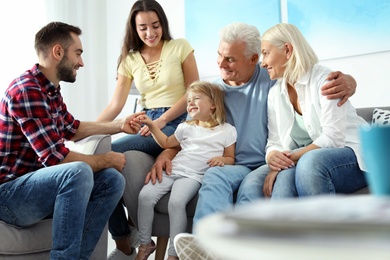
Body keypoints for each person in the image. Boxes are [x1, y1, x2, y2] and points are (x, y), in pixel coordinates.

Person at [147, 21, 358, 259]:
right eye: (219, 55)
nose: (221, 64)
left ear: (253, 58)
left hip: (265, 163)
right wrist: (166, 153)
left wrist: (350, 82)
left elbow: (312, 80)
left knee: (252, 187)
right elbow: (189, 130)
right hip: (234, 164)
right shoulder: (213, 93)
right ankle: (206, 247)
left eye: (230, 59)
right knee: (215, 176)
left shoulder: (272, 79)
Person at [0, 21, 144, 260]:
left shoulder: (50, 89)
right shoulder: (27, 90)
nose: (81, 62)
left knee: (112, 181)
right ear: (58, 52)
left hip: (35, 188)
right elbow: (56, 161)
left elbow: (71, 128)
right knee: (76, 172)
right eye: (78, 53)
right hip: (9, 196)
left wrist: (119, 125)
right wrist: (106, 159)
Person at [100, 1, 199, 257]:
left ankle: (123, 240)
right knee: (98, 159)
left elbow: (193, 91)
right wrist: (92, 133)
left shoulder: (180, 47)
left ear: (162, 24)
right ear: (134, 28)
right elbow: (115, 104)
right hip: (147, 122)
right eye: (143, 27)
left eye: (155, 26)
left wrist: (162, 120)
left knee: (104, 156)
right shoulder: (129, 60)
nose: (150, 33)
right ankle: (123, 234)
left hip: (178, 119)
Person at [238, 23, 367, 200]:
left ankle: (321, 228)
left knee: (309, 162)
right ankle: (283, 229)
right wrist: (273, 157)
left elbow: (333, 138)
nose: (263, 62)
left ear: (287, 50)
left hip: (355, 155)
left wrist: (287, 160)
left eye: (266, 53)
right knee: (283, 180)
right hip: (309, 159)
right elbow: (274, 141)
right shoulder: (275, 93)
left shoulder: (326, 80)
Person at [134, 81, 236, 260]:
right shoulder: (185, 127)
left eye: (196, 98)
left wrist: (222, 160)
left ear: (213, 104)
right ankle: (145, 243)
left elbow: (231, 158)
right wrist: (151, 125)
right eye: (188, 100)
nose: (190, 103)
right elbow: (166, 143)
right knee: (145, 196)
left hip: (194, 176)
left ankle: (174, 253)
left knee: (176, 203)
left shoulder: (227, 130)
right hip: (174, 169)